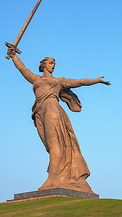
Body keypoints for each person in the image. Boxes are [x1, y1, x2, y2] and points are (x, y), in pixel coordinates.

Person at [7, 48, 110, 194]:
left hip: (52, 109)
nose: (53, 65)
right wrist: (13, 56)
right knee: (49, 145)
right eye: (50, 63)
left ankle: (52, 178)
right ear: (43, 65)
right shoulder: (36, 79)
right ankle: (58, 175)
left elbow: (80, 82)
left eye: (54, 63)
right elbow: (22, 69)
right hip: (38, 112)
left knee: (55, 143)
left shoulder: (59, 82)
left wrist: (97, 80)